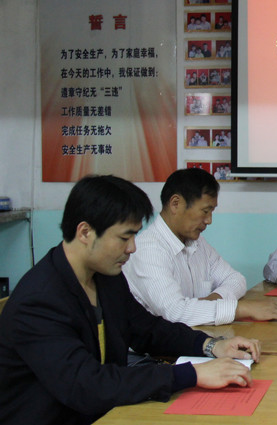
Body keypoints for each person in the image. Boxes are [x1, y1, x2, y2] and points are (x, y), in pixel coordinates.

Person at [0, 175, 262, 425]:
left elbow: (146, 329)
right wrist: (191, 374)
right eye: (124, 238)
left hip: (104, 413)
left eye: (135, 235)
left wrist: (210, 345)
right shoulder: (39, 301)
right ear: (85, 232)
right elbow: (86, 385)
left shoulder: (105, 277)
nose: (132, 248)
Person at [124, 168, 277, 326]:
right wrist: (242, 309)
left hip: (196, 337)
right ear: (175, 203)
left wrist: (209, 303)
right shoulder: (148, 250)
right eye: (205, 211)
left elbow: (236, 280)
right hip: (156, 347)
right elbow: (175, 313)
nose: (209, 220)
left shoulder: (197, 243)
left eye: (211, 212)